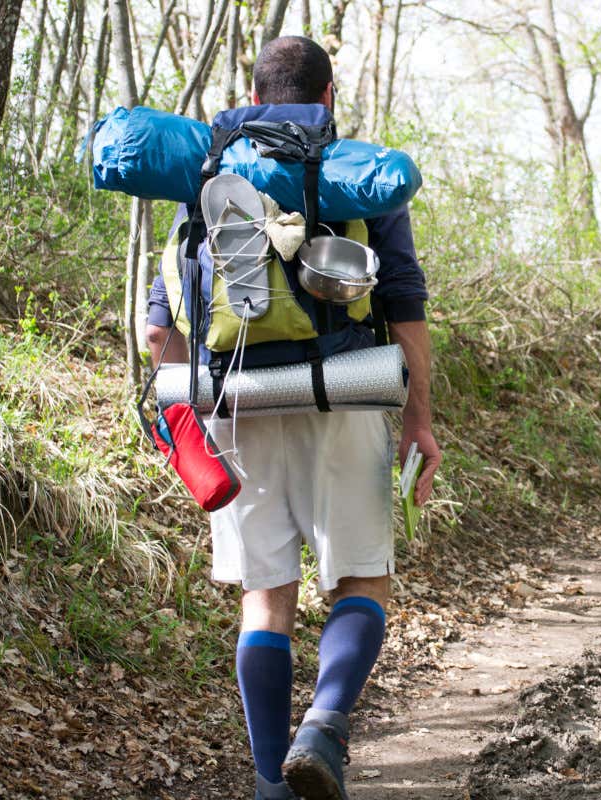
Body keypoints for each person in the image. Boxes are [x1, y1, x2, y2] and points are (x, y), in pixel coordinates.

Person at [144, 35, 441, 800]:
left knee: (265, 593)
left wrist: (204, 395)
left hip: (232, 405)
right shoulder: (351, 173)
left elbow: (157, 328)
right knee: (361, 577)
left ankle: (272, 788)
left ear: (252, 91)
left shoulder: (202, 169)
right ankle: (325, 726)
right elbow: (402, 297)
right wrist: (420, 422)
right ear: (328, 95)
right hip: (345, 389)